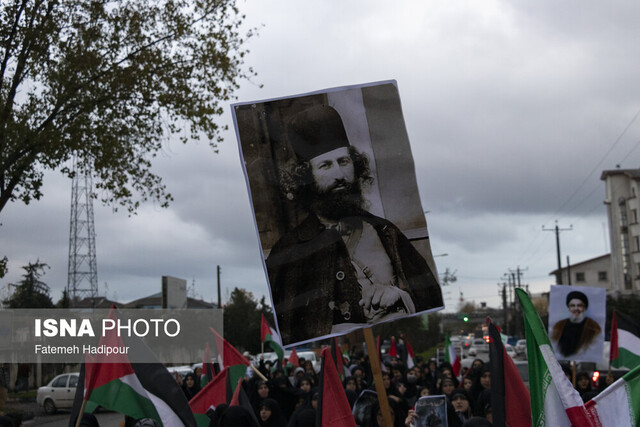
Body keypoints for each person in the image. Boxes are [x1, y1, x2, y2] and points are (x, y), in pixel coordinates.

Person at [266, 104, 442, 345]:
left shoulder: (386, 232)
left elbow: (429, 300)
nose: (340, 174)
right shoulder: (287, 251)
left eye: (343, 161)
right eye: (326, 165)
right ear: (306, 177)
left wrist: (401, 296)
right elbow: (288, 330)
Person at [550, 290, 602, 359]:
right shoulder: (558, 326)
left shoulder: (594, 327)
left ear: (584, 308)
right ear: (569, 308)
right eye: (572, 305)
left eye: (579, 305)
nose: (576, 308)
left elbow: (593, 349)